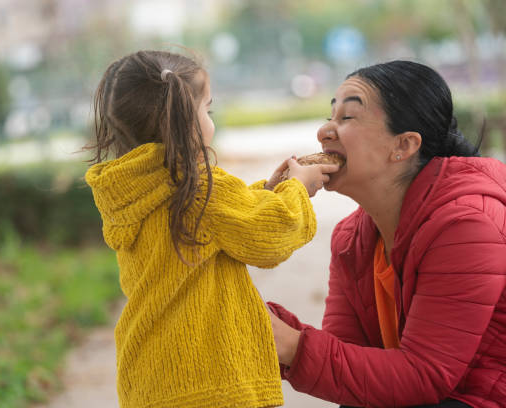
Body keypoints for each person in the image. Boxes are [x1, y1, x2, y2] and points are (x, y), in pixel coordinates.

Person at [265, 60, 506, 408]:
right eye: (330, 116)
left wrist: (290, 344)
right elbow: (349, 366)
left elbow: (425, 375)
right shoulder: (352, 238)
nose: (325, 131)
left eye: (347, 118)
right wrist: (267, 325)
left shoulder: (467, 225)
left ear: (404, 145)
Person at [84, 50, 338, 408]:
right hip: (207, 378)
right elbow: (269, 234)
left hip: (148, 377)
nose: (211, 120)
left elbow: (218, 226)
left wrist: (267, 192)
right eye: (208, 109)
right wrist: (297, 189)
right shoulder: (198, 187)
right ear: (185, 119)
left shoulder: (132, 190)